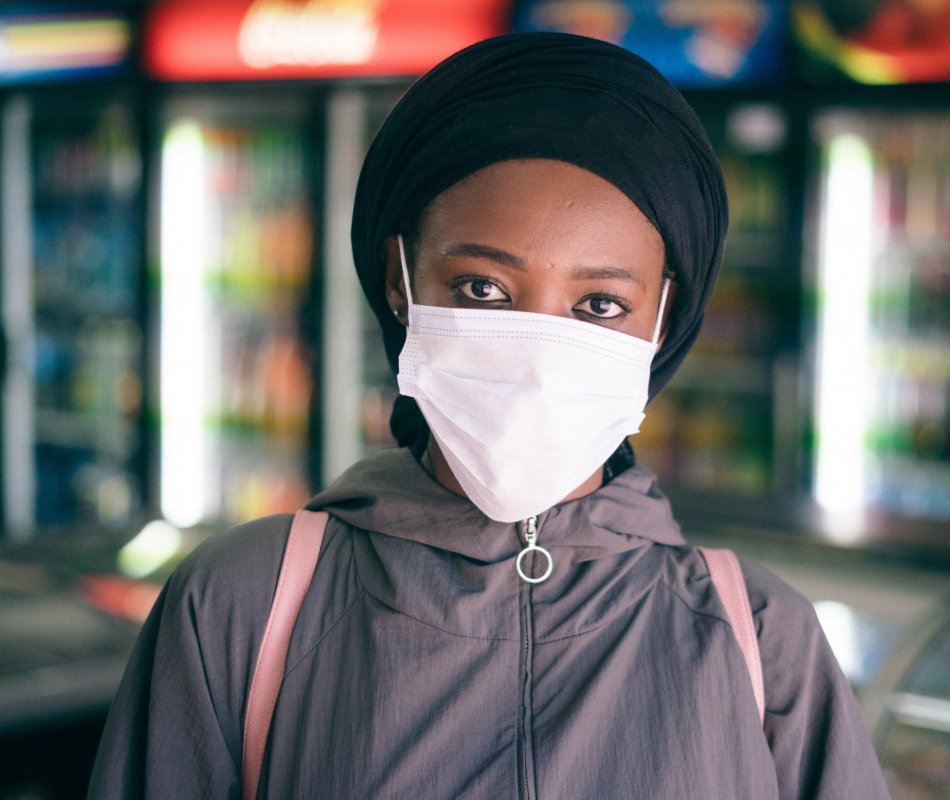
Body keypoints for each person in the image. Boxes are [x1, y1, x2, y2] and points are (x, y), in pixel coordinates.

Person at [88, 32, 889, 799]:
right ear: (399, 280)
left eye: (600, 304)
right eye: (484, 289)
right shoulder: (244, 604)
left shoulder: (759, 638)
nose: (541, 349)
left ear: (662, 323)